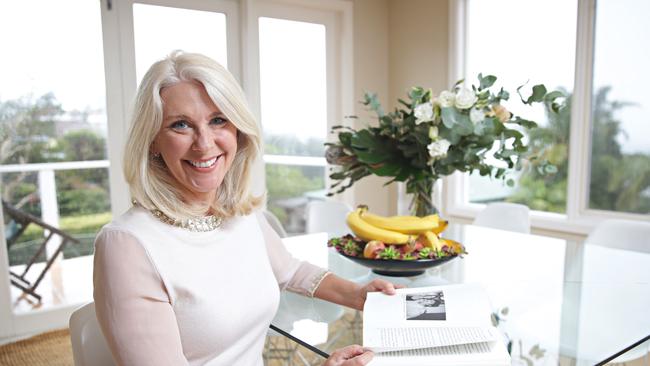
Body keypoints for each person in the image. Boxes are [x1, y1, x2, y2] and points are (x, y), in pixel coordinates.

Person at [93, 50, 398, 366]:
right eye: (181, 124)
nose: (205, 143)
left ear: (237, 130)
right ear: (153, 139)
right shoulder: (127, 245)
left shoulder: (239, 212)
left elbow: (290, 270)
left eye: (218, 120)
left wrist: (358, 294)